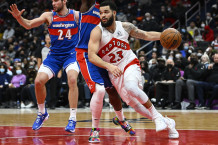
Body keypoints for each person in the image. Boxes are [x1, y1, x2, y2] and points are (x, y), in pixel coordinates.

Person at [88, 1, 179, 142]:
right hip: (114, 70)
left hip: (129, 62)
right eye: (100, 13)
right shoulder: (97, 31)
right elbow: (92, 56)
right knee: (135, 106)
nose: (103, 15)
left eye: (106, 12)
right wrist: (109, 66)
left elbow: (146, 35)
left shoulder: (125, 26)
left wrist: (165, 35)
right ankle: (167, 122)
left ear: (113, 13)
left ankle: (156, 117)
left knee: (131, 86)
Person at [8, 0, 80, 132]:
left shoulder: (75, 15)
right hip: (54, 56)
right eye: (52, 1)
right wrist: (19, 18)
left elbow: (93, 24)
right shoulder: (48, 16)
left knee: (72, 79)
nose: (53, 3)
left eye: (56, 0)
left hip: (71, 54)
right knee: (38, 81)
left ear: (64, 1)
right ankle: (42, 113)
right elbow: (29, 24)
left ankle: (73, 118)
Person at [76, 0, 135, 142]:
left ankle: (121, 119)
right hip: (87, 54)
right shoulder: (89, 5)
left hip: (103, 55)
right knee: (100, 90)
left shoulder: (109, 10)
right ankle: (95, 129)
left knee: (112, 90)